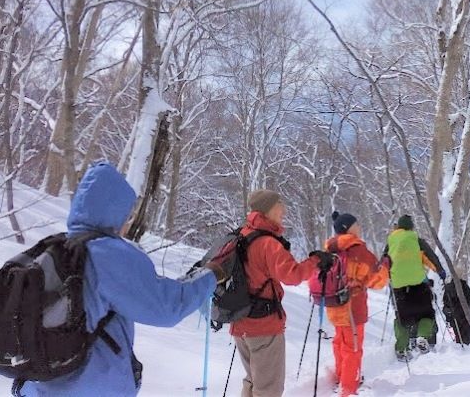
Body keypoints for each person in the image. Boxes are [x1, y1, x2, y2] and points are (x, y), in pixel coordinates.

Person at [24, 161, 233, 396]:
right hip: (89, 386)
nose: (128, 221)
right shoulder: (108, 254)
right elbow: (166, 306)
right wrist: (211, 276)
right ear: (114, 211)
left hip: (41, 384)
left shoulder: (55, 247)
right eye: (127, 214)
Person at [229, 189, 331, 397]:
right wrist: (316, 262)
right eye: (279, 204)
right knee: (268, 389)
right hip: (263, 326)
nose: (283, 209)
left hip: (240, 322)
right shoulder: (268, 243)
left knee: (253, 380)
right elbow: (292, 275)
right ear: (267, 209)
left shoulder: (242, 234)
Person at [323, 211, 389, 396]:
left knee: (339, 343)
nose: (359, 226)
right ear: (347, 228)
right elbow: (377, 281)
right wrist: (385, 266)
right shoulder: (358, 250)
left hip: (334, 305)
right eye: (356, 224)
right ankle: (349, 388)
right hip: (353, 307)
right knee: (352, 347)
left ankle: (342, 376)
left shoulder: (330, 249)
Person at [384, 214, 446, 361]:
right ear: (411, 227)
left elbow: (385, 263)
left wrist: (388, 278)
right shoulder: (417, 241)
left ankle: (401, 349)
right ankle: (422, 337)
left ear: (398, 227)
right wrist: (440, 271)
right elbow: (431, 258)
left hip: (398, 287)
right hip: (419, 285)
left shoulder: (390, 243)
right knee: (427, 315)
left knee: (402, 318)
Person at [442, 276, 470, 345]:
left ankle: (461, 351)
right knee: (467, 339)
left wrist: (448, 315)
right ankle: (469, 352)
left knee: (458, 337)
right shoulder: (464, 286)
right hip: (465, 315)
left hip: (454, 316)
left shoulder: (448, 288)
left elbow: (445, 304)